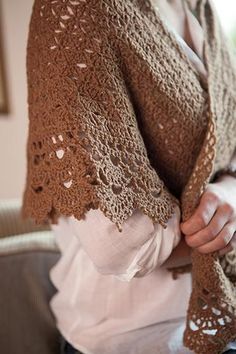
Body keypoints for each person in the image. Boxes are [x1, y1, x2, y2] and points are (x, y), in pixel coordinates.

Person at [21, 0, 236, 353]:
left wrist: (231, 190)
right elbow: (121, 246)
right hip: (136, 336)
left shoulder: (201, 10)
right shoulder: (75, 10)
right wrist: (223, 232)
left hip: (224, 308)